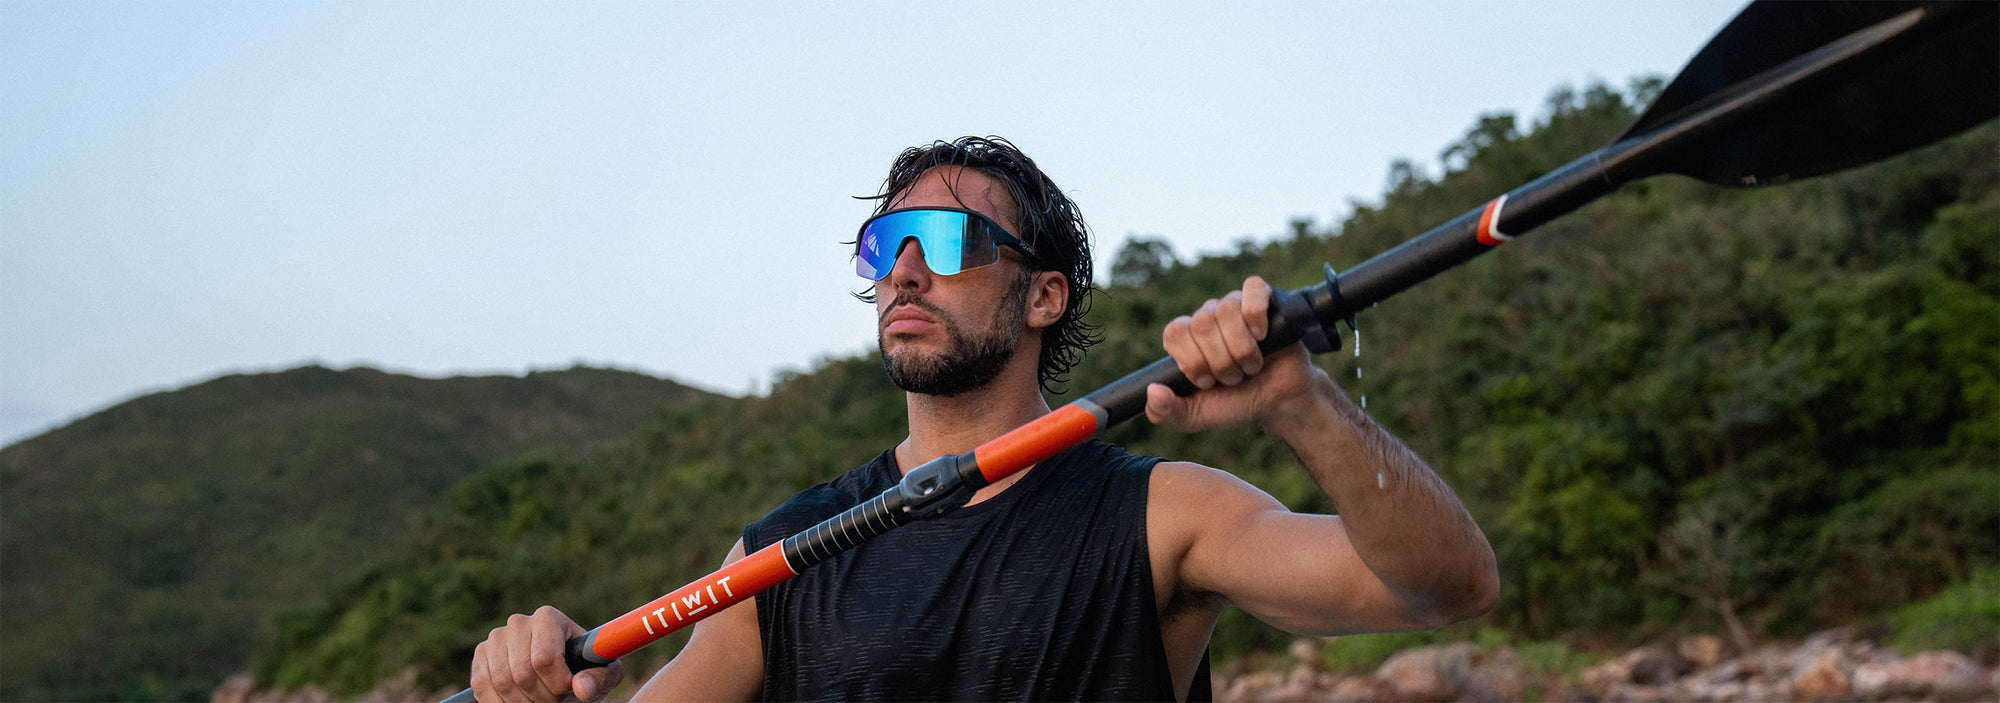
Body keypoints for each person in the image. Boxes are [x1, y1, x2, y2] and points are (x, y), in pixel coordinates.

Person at [468, 136, 1498, 702]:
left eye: (947, 239)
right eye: (883, 246)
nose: (905, 268)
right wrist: (533, 689)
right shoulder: (780, 554)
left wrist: (1297, 405)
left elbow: (1446, 586)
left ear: (1042, 296)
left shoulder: (1162, 515)